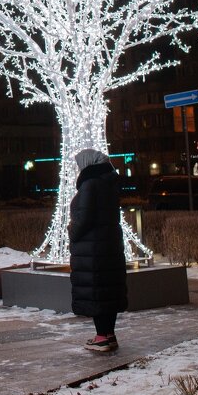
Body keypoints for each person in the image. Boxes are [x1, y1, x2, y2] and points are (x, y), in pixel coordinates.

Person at [68, 147, 127, 353]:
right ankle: (109, 335)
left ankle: (101, 337)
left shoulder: (90, 185)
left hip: (93, 248)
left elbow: (84, 219)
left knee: (97, 291)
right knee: (108, 291)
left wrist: (72, 231)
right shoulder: (109, 184)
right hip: (108, 245)